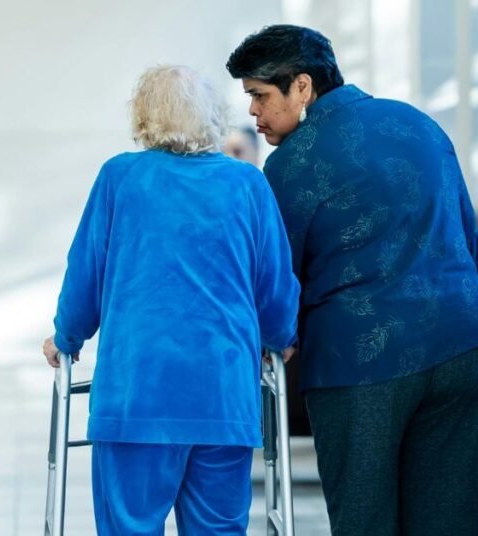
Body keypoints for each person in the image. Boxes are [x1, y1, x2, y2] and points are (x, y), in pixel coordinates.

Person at [226, 25, 478, 535]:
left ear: (302, 86)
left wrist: (271, 342)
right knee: (450, 520)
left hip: (362, 363)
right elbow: (468, 243)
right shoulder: (419, 125)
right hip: (463, 343)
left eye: (260, 95)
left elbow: (276, 284)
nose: (253, 113)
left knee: (365, 521)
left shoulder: (290, 164)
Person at [42, 64, 300, 535]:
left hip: (136, 394)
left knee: (130, 526)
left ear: (144, 117)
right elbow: (275, 285)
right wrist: (280, 336)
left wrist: (67, 336)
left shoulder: (120, 177)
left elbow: (86, 273)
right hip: (222, 396)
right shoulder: (247, 184)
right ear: (214, 117)